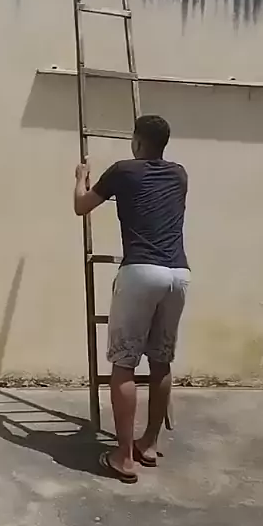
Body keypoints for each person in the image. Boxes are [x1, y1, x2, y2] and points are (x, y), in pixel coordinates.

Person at [74, 115, 190, 484]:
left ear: (137, 141)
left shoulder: (123, 170)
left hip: (140, 272)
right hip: (178, 274)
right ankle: (149, 443)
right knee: (161, 361)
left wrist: (81, 178)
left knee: (123, 365)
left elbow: (81, 206)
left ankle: (123, 457)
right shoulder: (179, 175)